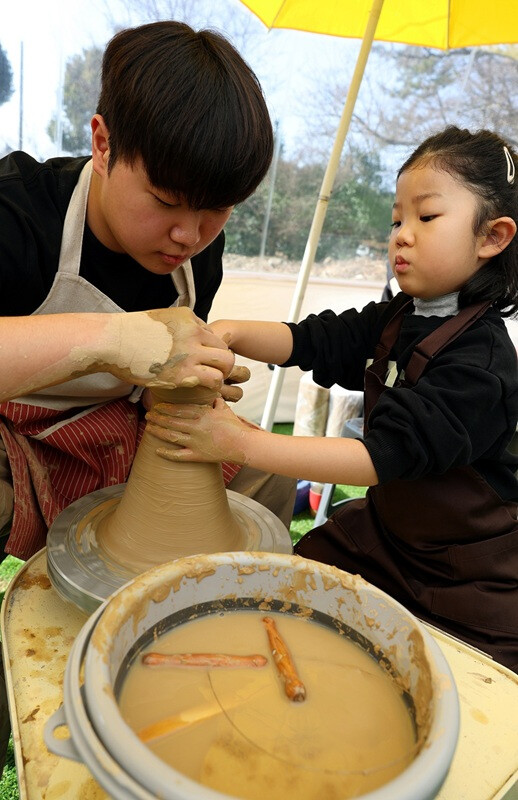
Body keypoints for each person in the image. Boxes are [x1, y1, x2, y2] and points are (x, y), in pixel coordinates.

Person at [146, 126, 518, 673]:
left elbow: (376, 459)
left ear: (493, 237)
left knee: (449, 686)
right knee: (293, 597)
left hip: (469, 576)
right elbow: (317, 339)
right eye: (396, 219)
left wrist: (239, 441)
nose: (401, 235)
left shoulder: (482, 367)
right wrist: (233, 331)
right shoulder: (397, 319)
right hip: (391, 539)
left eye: (426, 217)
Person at [0, 20, 297, 569]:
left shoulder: (199, 249)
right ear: (103, 143)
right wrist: (110, 339)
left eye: (217, 209)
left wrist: (187, 386)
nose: (189, 235)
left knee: (265, 472)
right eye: (165, 202)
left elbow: (162, 396)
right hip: (16, 428)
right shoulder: (19, 215)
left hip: (118, 420)